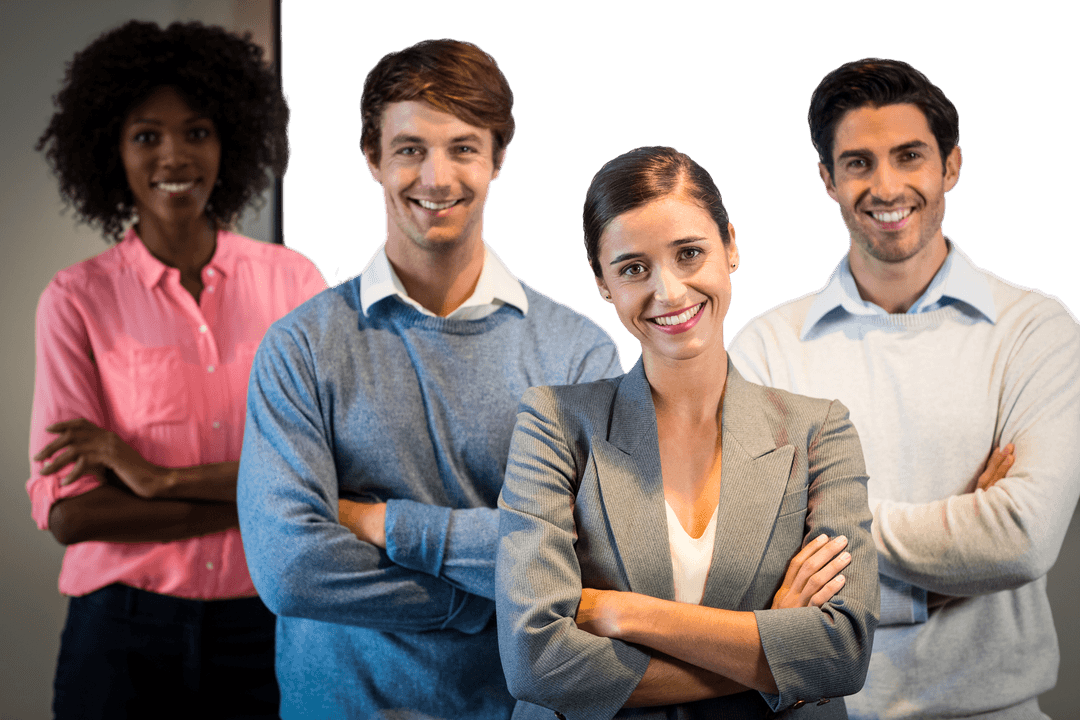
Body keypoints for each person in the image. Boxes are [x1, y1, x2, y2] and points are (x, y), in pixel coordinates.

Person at [236, 38, 622, 720]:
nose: (437, 179)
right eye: (410, 148)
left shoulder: (578, 353)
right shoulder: (299, 348)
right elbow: (291, 568)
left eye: (463, 148)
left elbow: (596, 559)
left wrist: (384, 524)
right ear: (372, 158)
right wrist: (484, 597)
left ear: (500, 158)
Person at [728, 58, 1080, 719]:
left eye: (909, 155)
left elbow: (1022, 536)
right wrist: (937, 588)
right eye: (858, 163)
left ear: (950, 166)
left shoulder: (1037, 328)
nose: (885, 185)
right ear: (828, 180)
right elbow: (746, 564)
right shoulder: (764, 347)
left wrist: (824, 527)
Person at [496, 145, 883, 719]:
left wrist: (627, 614)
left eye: (689, 253)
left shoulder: (817, 431)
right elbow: (537, 663)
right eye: (633, 268)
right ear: (602, 283)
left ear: (730, 246)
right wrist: (773, 651)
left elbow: (842, 654)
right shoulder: (554, 424)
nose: (670, 292)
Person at [28, 20, 327, 719]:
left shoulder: (295, 284)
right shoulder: (76, 301)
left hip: (267, 630)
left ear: (229, 141)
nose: (175, 156)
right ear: (112, 149)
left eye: (197, 131)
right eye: (146, 136)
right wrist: (259, 500)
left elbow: (321, 477)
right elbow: (75, 514)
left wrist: (156, 480)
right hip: (121, 634)